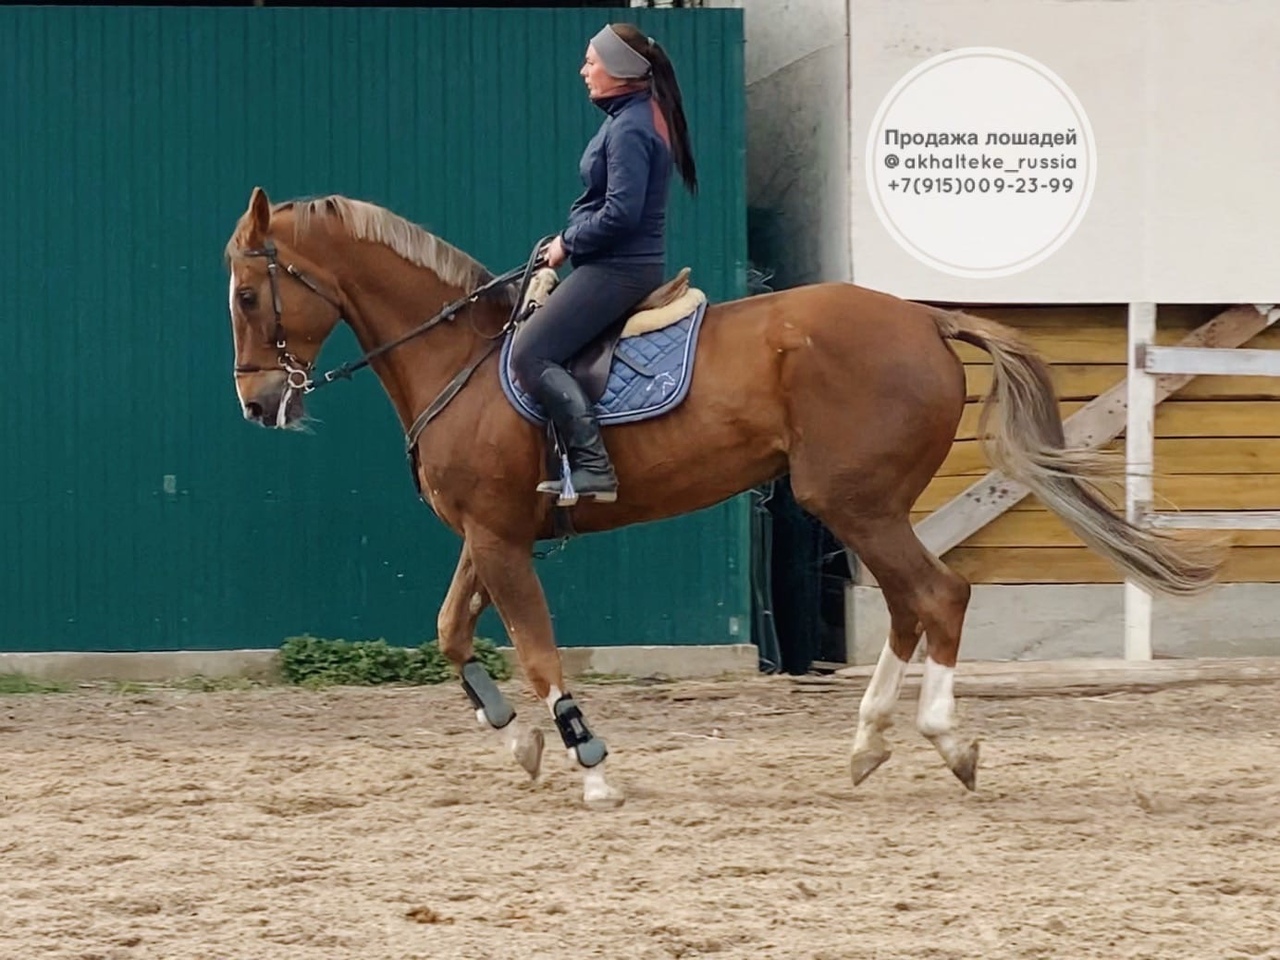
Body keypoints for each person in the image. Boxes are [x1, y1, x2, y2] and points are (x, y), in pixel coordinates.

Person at [510, 22, 698, 504]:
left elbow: (621, 213)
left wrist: (568, 243)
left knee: (529, 353)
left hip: (619, 269)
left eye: (591, 62)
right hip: (616, 263)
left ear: (618, 70)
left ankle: (593, 466)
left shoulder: (632, 127)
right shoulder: (630, 117)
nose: (583, 71)